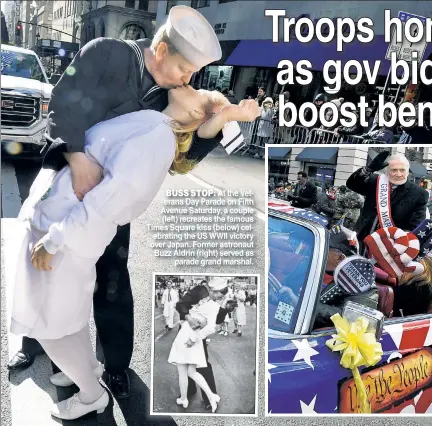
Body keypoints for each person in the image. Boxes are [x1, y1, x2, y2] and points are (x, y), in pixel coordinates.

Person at [5, 5, 253, 395]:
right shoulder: (106, 52)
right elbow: (64, 98)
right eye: (183, 70)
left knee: (112, 281)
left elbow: (180, 155)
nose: (186, 79)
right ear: (160, 50)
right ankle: (35, 342)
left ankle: (115, 364)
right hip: (68, 177)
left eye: (191, 75)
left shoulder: (170, 94)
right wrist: (77, 154)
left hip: (111, 200)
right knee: (42, 263)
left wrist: (222, 120)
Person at [346, 151, 429, 252]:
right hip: (362, 237)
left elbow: (416, 225)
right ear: (387, 171)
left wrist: (400, 242)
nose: (398, 174)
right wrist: (368, 170)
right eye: (394, 170)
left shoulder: (419, 193)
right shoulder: (375, 181)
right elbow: (352, 184)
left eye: (402, 170)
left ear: (408, 171)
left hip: (388, 246)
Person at [168, 279, 228, 413]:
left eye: (222, 297)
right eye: (219, 295)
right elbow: (181, 304)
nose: (219, 298)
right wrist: (189, 318)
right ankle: (189, 391)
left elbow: (216, 320)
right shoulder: (199, 290)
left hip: (198, 334)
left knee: (201, 364)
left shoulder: (214, 302)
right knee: (188, 365)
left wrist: (223, 308)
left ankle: (208, 396)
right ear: (213, 290)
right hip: (188, 330)